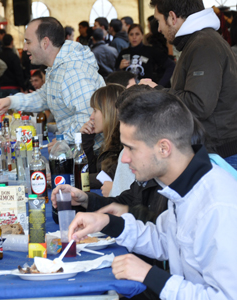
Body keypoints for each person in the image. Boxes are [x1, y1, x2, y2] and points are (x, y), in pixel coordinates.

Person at [65, 90, 237, 300]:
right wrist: (107, 221)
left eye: (130, 148)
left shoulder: (218, 206)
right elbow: (164, 240)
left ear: (164, 148)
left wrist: (150, 275)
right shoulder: (181, 185)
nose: (125, 158)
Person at [140, 0, 237, 167]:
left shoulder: (204, 45)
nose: (158, 29)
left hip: (221, 156)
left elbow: (199, 104)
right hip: (213, 152)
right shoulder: (198, 42)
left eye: (159, 21)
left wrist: (157, 91)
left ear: (172, 17)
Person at [0, 17, 104, 145]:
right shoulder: (58, 66)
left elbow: (88, 121)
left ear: (45, 43)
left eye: (28, 42)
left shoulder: (73, 72)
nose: (25, 48)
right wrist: (10, 101)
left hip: (89, 154)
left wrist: (62, 140)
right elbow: (44, 96)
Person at [80, 84, 124, 189]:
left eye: (95, 110)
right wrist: (87, 139)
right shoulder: (111, 139)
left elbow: (107, 177)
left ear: (109, 112)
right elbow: (94, 171)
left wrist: (73, 179)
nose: (91, 117)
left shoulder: (123, 142)